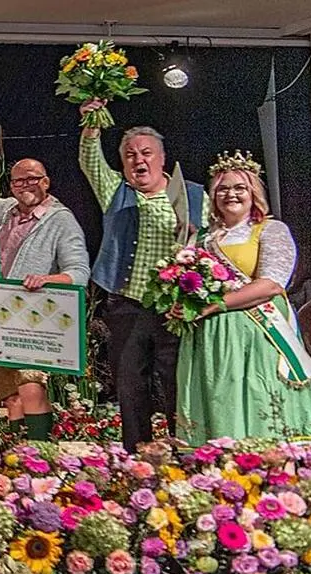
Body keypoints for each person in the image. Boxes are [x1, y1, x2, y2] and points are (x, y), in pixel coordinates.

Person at [78, 99, 208, 449]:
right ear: (123, 164)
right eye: (130, 155)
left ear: (162, 158)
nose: (139, 160)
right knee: (131, 383)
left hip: (175, 308)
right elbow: (90, 161)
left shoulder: (193, 195)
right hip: (128, 304)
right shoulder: (115, 192)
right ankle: (137, 455)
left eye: (146, 153)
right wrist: (91, 124)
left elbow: (215, 246)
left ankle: (183, 451)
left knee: (177, 381)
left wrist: (195, 237)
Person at [0, 147, 91, 440]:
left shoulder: (61, 220)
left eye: (32, 179)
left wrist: (47, 279)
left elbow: (79, 272)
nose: (25, 185)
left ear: (46, 182)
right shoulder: (4, 210)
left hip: (33, 315)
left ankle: (39, 451)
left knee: (31, 386)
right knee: (10, 395)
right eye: (18, 181)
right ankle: (16, 454)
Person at [174, 152, 311, 442]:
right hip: (213, 337)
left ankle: (268, 461)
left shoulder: (270, 230)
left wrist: (215, 305)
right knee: (219, 397)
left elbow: (271, 285)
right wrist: (180, 303)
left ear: (253, 193)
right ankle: (219, 461)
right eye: (223, 189)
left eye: (240, 187)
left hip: (258, 333)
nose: (231, 194)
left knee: (258, 392)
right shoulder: (201, 239)